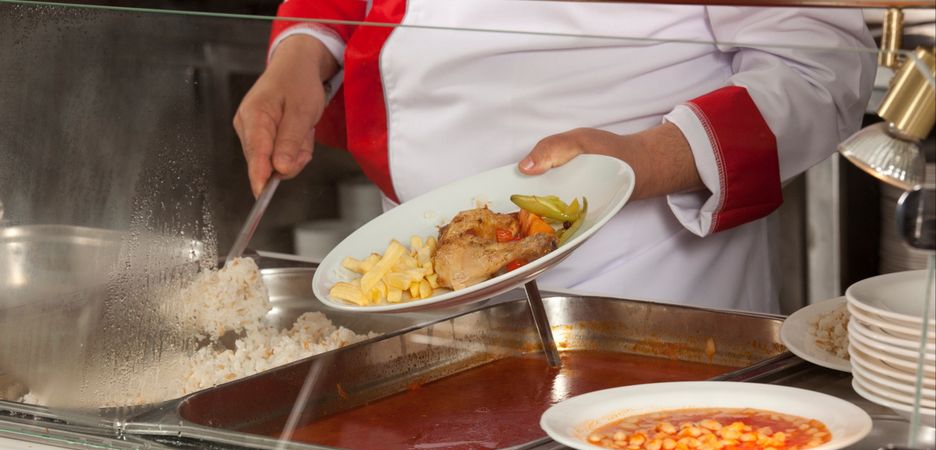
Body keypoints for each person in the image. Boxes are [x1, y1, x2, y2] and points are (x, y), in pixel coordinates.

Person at [234, 0, 876, 313]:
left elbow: (821, 69)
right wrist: (301, 54)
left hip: (641, 279)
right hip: (417, 279)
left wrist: (645, 160)